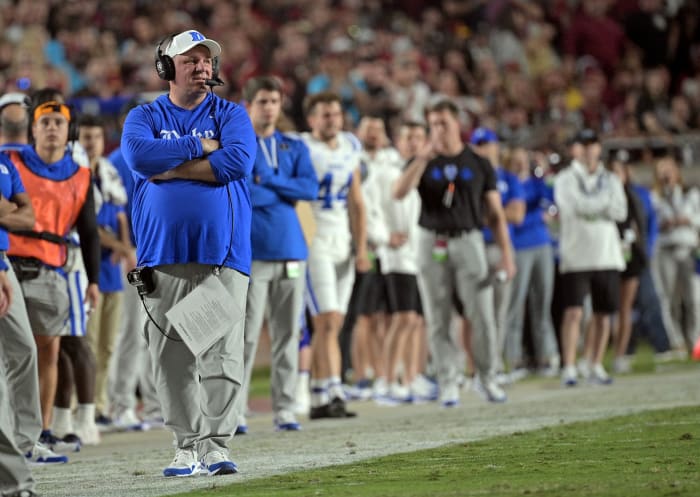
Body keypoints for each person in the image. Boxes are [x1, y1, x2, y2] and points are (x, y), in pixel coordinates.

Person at [121, 29, 256, 477]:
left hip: (222, 256)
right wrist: (200, 146)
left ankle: (216, 446)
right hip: (161, 256)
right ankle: (186, 446)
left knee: (220, 356)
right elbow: (139, 158)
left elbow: (236, 162)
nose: (202, 67)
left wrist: (171, 167)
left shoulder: (231, 114)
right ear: (166, 68)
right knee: (170, 359)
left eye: (206, 60)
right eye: (190, 61)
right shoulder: (143, 115)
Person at [393, 98, 514, 406]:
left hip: (469, 238)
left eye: (443, 123)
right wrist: (421, 159)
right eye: (433, 124)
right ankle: (448, 380)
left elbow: (495, 213)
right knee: (438, 315)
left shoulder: (478, 162)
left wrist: (506, 253)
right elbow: (399, 192)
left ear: (457, 123)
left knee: (482, 313)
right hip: (431, 240)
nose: (438, 129)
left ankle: (487, 376)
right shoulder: (424, 160)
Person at [3, 97, 100, 454]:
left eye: (59, 123)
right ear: (33, 129)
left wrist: (93, 281)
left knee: (48, 352)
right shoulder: (10, 160)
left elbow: (89, 231)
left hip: (51, 269)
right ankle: (13, 433)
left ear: (69, 131)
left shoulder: (81, 176)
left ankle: (40, 432)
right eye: (45, 122)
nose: (52, 129)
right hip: (9, 265)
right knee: (15, 354)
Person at [237, 76, 318, 433]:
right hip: (253, 253)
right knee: (246, 336)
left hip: (291, 250)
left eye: (274, 101)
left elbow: (310, 189)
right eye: (262, 101)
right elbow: (243, 195)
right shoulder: (239, 146)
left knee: (289, 334)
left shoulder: (294, 145)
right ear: (248, 106)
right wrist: (284, 191)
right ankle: (235, 411)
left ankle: (285, 408)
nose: (269, 108)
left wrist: (267, 181)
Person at [300, 91, 370, 419]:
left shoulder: (350, 145)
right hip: (315, 239)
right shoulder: (301, 146)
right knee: (325, 319)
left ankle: (318, 394)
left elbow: (356, 201)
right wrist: (305, 239)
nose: (332, 121)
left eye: (336, 114)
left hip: (342, 239)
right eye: (325, 115)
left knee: (334, 322)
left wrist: (361, 247)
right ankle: (334, 389)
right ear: (311, 119)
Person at [554, 128, 627, 386]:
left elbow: (620, 211)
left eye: (592, 144)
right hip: (576, 254)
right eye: (582, 144)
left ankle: (595, 363)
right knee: (573, 312)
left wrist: (591, 208)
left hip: (607, 253)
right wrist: (602, 206)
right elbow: (571, 207)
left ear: (599, 148)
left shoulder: (611, 179)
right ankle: (569, 366)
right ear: (574, 149)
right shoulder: (565, 178)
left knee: (603, 313)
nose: (587, 150)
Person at [107, 97, 161, 431]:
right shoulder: (116, 162)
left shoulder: (161, 155)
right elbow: (112, 214)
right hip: (131, 255)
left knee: (157, 332)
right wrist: (127, 249)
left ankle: (155, 405)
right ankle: (121, 404)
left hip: (159, 251)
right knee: (130, 331)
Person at [77, 114, 133, 425]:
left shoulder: (109, 173)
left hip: (111, 270)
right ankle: (79, 406)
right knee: (87, 343)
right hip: (89, 268)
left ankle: (99, 406)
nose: (92, 143)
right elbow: (89, 227)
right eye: (86, 137)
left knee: (108, 345)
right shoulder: (75, 174)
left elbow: (120, 213)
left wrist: (123, 244)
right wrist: (124, 248)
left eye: (96, 137)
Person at [503, 146, 560, 376]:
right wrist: (536, 216)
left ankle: (547, 356)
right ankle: (514, 359)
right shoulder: (507, 183)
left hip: (542, 245)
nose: (521, 164)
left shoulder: (537, 182)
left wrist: (545, 171)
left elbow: (551, 201)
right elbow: (514, 218)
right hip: (518, 247)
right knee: (515, 305)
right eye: (516, 160)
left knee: (543, 303)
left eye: (523, 160)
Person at [651, 153, 700, 357]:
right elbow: (651, 222)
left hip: (688, 248)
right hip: (666, 249)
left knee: (694, 298)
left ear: (676, 171)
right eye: (661, 169)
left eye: (668, 168)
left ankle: (695, 340)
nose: (666, 173)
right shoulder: (655, 197)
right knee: (670, 298)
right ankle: (677, 341)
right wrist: (663, 224)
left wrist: (688, 220)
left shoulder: (691, 193)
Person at [608, 151, 648, 373]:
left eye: (619, 172)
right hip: (608, 256)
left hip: (630, 257)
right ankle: (597, 355)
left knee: (625, 307)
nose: (616, 177)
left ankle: (620, 355)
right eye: (612, 172)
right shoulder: (605, 198)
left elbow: (640, 227)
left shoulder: (633, 197)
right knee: (608, 308)